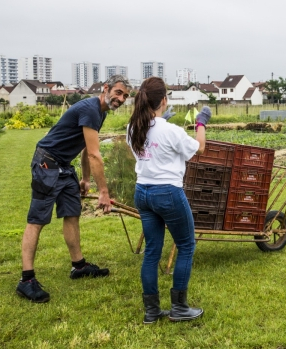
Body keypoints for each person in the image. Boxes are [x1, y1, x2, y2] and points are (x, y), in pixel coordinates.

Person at [16, 75, 132, 303]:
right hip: (47, 163)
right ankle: (26, 279)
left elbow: (85, 147)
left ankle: (78, 266)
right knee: (37, 219)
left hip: (64, 166)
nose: (121, 99)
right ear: (106, 88)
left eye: (126, 96)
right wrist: (104, 193)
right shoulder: (90, 109)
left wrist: (86, 179)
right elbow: (94, 154)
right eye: (118, 93)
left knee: (72, 213)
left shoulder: (101, 112)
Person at [127, 77, 211, 324]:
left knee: (152, 250)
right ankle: (179, 308)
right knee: (186, 245)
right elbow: (200, 148)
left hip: (142, 191)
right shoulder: (171, 131)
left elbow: (150, 143)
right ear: (164, 100)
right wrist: (201, 123)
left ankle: (151, 311)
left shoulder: (133, 127)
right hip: (167, 193)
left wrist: (162, 121)